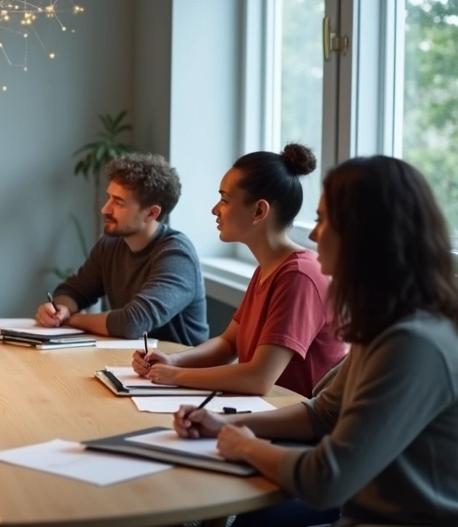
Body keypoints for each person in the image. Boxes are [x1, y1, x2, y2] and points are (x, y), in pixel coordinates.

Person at [175, 156, 458, 527]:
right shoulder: (385, 322)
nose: (312, 235)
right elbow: (323, 413)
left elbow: (327, 479)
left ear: (365, 235)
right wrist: (222, 423)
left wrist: (243, 444)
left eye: (324, 221)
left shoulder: (411, 343)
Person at [131, 145, 347, 397]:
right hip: (265, 409)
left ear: (259, 211)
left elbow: (259, 378)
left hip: (293, 415)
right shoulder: (268, 268)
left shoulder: (299, 276)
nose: (215, 210)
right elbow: (228, 343)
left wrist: (175, 376)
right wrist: (173, 361)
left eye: (224, 200)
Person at [35, 153, 208, 345]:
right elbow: (73, 291)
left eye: (119, 202)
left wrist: (72, 319)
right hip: (130, 358)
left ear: (151, 213)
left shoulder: (177, 256)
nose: (105, 209)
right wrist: (60, 309)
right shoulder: (110, 244)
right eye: (109, 197)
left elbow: (133, 323)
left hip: (180, 362)